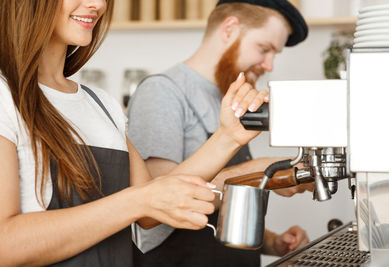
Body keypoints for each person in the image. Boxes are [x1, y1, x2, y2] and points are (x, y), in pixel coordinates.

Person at [0, 0, 274, 266]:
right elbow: (6, 245)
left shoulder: (101, 105)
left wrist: (229, 136)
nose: (97, 4)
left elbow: (151, 208)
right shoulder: (4, 96)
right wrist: (137, 201)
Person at [127, 0, 312, 266]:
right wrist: (261, 172)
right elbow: (155, 208)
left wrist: (272, 242)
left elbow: (221, 213)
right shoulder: (162, 92)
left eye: (275, 54)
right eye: (264, 49)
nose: (269, 64)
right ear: (229, 29)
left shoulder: (228, 96)